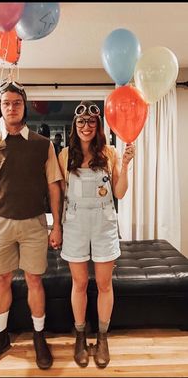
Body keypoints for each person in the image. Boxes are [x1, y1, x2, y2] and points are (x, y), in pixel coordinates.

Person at [0, 81, 63, 371]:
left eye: (17, 103)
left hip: (35, 224)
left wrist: (56, 225)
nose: (11, 107)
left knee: (35, 280)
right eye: (6, 103)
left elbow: (54, 188)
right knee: (2, 280)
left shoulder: (42, 144)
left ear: (25, 107)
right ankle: (0, 338)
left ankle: (39, 338)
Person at [58, 100, 135, 368]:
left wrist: (125, 165)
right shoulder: (65, 155)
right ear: (74, 125)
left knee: (104, 284)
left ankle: (102, 337)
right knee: (79, 283)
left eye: (91, 121)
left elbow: (119, 193)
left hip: (104, 222)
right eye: (81, 121)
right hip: (76, 222)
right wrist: (56, 225)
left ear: (98, 125)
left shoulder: (110, 152)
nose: (86, 126)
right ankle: (80, 335)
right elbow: (59, 194)